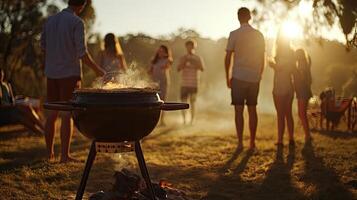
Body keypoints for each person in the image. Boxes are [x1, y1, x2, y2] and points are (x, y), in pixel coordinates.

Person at [41, 0, 105, 163]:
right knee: (67, 115)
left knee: (52, 114)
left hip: (52, 73)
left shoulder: (50, 21)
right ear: (82, 5)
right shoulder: (77, 22)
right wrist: (98, 70)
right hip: (69, 73)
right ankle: (64, 156)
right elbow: (82, 53)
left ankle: (49, 155)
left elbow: (43, 47)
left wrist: (49, 64)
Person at [225, 7, 265, 150]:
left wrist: (227, 76)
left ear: (238, 17)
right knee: (252, 109)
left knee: (238, 110)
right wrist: (260, 74)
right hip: (254, 77)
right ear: (250, 17)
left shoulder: (234, 34)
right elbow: (262, 58)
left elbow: (228, 57)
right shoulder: (259, 35)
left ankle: (241, 142)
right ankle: (252, 142)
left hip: (238, 77)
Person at [268, 34, 295, 146]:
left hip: (284, 87)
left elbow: (290, 69)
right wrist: (274, 65)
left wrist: (276, 66)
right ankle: (287, 139)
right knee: (286, 114)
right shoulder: (280, 55)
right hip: (282, 86)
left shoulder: (288, 54)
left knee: (283, 114)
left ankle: (284, 139)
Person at [0, 69, 44, 135]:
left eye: (1, 74)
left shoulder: (6, 85)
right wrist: (12, 105)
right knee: (22, 115)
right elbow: (2, 105)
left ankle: (42, 129)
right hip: (4, 111)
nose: (1, 76)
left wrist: (17, 98)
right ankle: (40, 131)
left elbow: (10, 99)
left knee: (28, 107)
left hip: (11, 107)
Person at [177, 40, 204, 124]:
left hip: (194, 84)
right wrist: (184, 62)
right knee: (183, 103)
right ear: (186, 47)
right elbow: (178, 69)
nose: (189, 48)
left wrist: (194, 62)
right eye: (188, 46)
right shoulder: (183, 57)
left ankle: (192, 120)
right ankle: (184, 120)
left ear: (194, 47)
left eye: (191, 46)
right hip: (184, 84)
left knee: (192, 103)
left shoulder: (198, 57)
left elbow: (202, 68)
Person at [148, 45, 172, 126]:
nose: (160, 52)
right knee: (154, 101)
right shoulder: (154, 60)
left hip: (163, 82)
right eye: (159, 51)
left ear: (165, 52)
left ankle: (162, 120)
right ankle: (154, 119)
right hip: (154, 83)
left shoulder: (167, 60)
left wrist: (165, 58)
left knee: (163, 101)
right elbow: (149, 71)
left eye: (162, 51)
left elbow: (168, 65)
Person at [294, 49, 313, 142]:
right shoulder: (305, 64)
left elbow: (302, 79)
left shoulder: (301, 65)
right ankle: (307, 134)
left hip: (303, 92)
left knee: (302, 114)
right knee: (302, 113)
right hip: (303, 92)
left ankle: (308, 135)